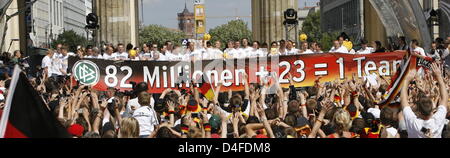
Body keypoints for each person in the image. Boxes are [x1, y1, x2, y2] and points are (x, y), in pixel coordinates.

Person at [401, 63, 448, 138]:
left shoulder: (414, 123)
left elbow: (403, 100)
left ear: (419, 112)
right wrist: (439, 76)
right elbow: (444, 99)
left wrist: (406, 80)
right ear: (432, 108)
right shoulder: (438, 119)